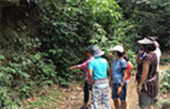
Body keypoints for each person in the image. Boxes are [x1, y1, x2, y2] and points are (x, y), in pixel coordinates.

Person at [136, 37, 158, 109]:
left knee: (144, 106)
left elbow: (144, 74)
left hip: (146, 86)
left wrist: (140, 86)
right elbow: (138, 62)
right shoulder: (154, 55)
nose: (141, 46)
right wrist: (139, 55)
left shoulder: (147, 58)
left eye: (142, 45)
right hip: (152, 83)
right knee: (150, 104)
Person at [109, 45, 127, 109]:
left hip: (120, 83)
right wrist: (110, 80)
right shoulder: (114, 60)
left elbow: (125, 75)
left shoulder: (122, 62)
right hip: (114, 82)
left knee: (122, 99)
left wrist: (121, 86)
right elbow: (113, 71)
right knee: (114, 98)